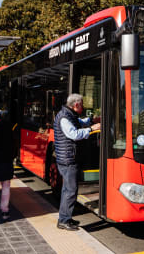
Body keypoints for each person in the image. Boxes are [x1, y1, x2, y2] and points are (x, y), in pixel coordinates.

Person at [53, 93, 100, 231]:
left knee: (67, 190)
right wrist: (92, 129)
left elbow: (80, 122)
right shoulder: (64, 118)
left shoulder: (69, 115)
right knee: (70, 190)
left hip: (67, 158)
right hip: (68, 160)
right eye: (82, 104)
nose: (83, 106)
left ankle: (66, 218)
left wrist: (92, 120)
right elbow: (73, 134)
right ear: (76, 105)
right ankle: (63, 220)